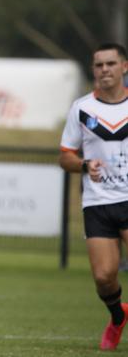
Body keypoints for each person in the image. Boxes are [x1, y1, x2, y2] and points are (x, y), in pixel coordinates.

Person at [59, 42, 128, 351]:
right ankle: (118, 316)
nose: (104, 70)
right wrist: (85, 165)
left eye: (111, 64)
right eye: (99, 65)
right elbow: (65, 157)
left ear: (124, 67)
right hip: (97, 202)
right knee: (103, 277)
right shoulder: (82, 108)